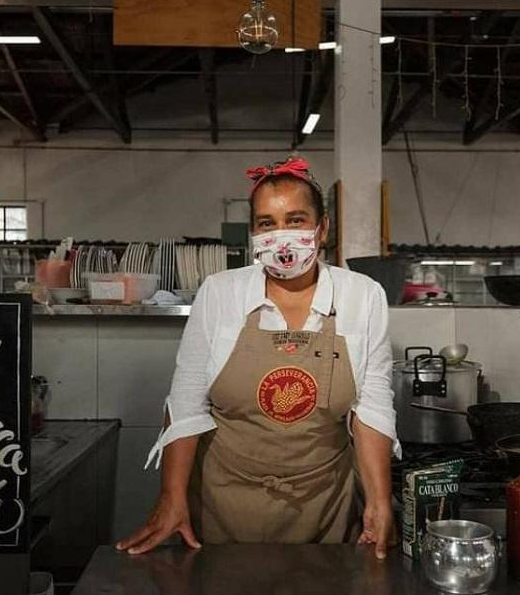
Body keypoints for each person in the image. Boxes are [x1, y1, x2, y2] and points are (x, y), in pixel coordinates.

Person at [116, 156, 399, 557]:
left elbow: (371, 407)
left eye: (297, 220)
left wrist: (379, 499)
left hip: (323, 503)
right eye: (267, 223)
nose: (282, 237)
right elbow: (185, 402)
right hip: (225, 501)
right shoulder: (219, 293)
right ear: (253, 233)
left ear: (322, 230)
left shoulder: (362, 296)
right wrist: (171, 495)